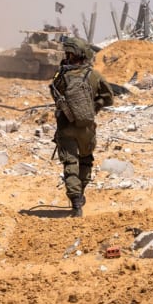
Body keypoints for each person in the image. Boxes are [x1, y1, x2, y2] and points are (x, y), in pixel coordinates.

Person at [50, 37, 114, 216]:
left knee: (70, 163)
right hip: (86, 127)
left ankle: (76, 202)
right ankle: (81, 192)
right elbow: (109, 97)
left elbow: (55, 94)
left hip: (66, 126)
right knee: (85, 160)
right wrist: (94, 106)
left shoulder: (61, 76)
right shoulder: (93, 75)